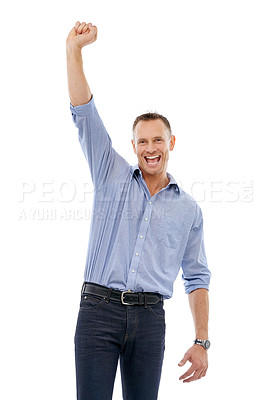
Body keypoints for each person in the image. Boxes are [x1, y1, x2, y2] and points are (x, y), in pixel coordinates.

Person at [66, 21, 211, 400]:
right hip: (98, 310)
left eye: (158, 140)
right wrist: (74, 51)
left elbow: (196, 277)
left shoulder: (189, 210)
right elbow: (84, 111)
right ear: (133, 145)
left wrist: (202, 341)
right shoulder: (108, 171)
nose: (151, 148)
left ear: (171, 143)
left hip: (150, 319)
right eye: (142, 141)